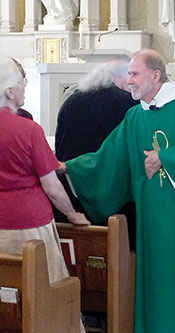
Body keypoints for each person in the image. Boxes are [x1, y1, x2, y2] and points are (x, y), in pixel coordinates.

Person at [57, 48, 175, 333]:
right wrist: (69, 167)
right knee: (161, 289)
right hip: (155, 223)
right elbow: (108, 160)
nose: (128, 81)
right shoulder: (135, 116)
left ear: (156, 75)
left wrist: (165, 158)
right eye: (128, 74)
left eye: (134, 74)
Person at [0, 57, 89, 333]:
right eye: (20, 81)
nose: (25, 86)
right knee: (44, 289)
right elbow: (51, 186)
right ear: (9, 92)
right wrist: (74, 215)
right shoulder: (28, 130)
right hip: (29, 226)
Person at [55, 61, 139, 250]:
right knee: (121, 251)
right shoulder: (131, 104)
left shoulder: (71, 101)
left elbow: (60, 147)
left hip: (74, 189)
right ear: (121, 78)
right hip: (117, 195)